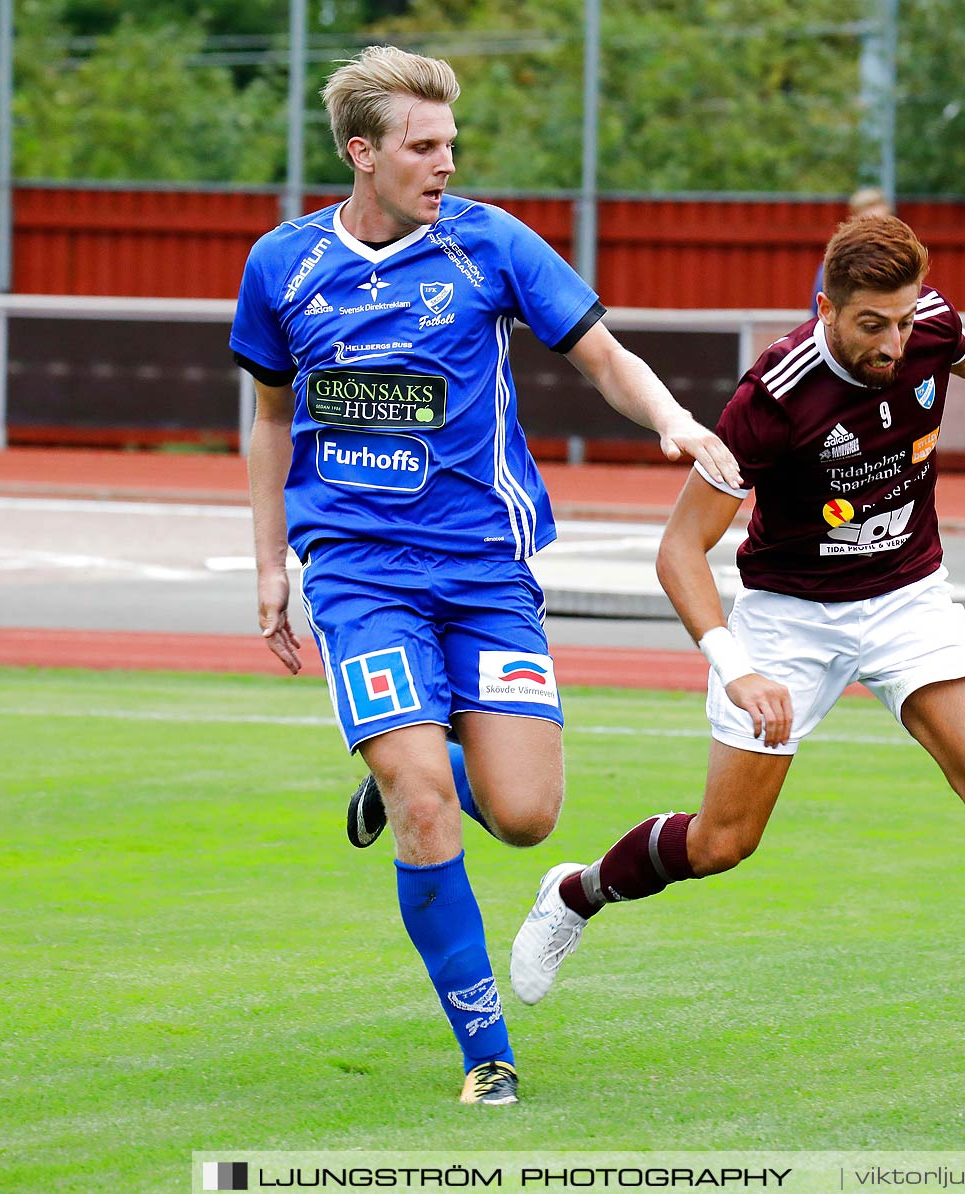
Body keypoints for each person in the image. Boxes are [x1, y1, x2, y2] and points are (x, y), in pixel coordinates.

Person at [509, 215, 965, 1113]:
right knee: (723, 844)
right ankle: (578, 891)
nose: (896, 342)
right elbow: (680, 553)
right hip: (791, 621)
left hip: (911, 599)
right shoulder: (769, 403)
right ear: (824, 307)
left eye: (906, 322)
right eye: (873, 323)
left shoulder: (923, 326)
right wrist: (734, 664)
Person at [228, 45, 740, 1108]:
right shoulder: (282, 265)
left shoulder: (490, 244)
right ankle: (486, 1054)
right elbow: (270, 417)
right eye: (423, 147)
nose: (445, 163)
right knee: (425, 802)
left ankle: (411, 771)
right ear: (363, 155)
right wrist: (269, 564)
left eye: (451, 144)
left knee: (524, 817)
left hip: (486, 572)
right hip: (359, 574)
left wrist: (677, 419)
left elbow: (602, 354)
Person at [810, 187, 892, 314]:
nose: (876, 229)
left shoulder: (902, 263)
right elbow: (818, 318)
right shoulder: (835, 267)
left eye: (883, 223)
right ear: (854, 223)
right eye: (868, 222)